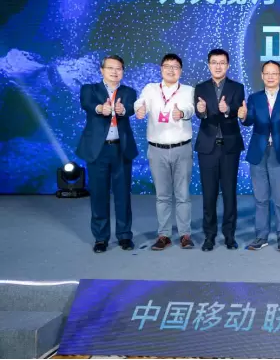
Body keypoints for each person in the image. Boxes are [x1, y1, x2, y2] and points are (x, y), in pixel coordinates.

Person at [76, 55, 138, 253]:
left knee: (123, 195)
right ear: (102, 70)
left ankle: (124, 235)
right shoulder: (90, 89)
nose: (114, 72)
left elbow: (131, 108)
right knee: (99, 195)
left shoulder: (129, 92)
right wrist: (100, 108)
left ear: (123, 72)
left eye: (118, 68)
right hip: (98, 149)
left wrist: (123, 110)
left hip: (121, 149)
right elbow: (87, 103)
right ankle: (101, 238)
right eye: (110, 68)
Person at [134, 54, 195, 250]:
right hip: (157, 149)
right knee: (162, 195)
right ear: (161, 69)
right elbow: (140, 103)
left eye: (175, 67)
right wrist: (139, 109)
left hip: (182, 148)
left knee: (183, 194)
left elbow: (191, 109)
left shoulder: (188, 90)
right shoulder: (151, 89)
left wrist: (182, 113)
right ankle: (164, 235)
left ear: (181, 71)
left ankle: (185, 234)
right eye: (167, 66)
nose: (171, 70)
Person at [241, 61, 280, 252]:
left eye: (274, 73)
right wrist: (243, 116)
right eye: (267, 73)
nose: (271, 76)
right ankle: (261, 236)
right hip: (258, 152)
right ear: (262, 76)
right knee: (261, 198)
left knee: (279, 198)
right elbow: (249, 120)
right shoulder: (254, 98)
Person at [194, 49, 245, 252]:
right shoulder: (200, 87)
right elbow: (200, 113)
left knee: (229, 193)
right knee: (209, 194)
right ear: (208, 65)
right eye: (214, 62)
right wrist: (202, 111)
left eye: (222, 62)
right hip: (207, 147)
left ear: (228, 65)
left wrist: (227, 110)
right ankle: (209, 236)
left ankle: (229, 235)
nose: (218, 66)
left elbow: (237, 109)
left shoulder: (237, 87)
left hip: (230, 146)